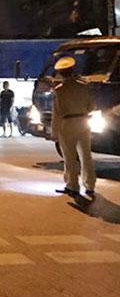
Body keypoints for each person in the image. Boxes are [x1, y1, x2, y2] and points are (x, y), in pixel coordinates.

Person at [51, 57, 97, 196]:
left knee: (70, 156)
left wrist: (55, 132)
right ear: (72, 70)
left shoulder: (60, 90)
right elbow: (92, 106)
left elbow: (57, 113)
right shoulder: (83, 86)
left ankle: (72, 185)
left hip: (67, 123)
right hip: (83, 122)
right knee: (86, 155)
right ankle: (90, 185)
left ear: (60, 73)